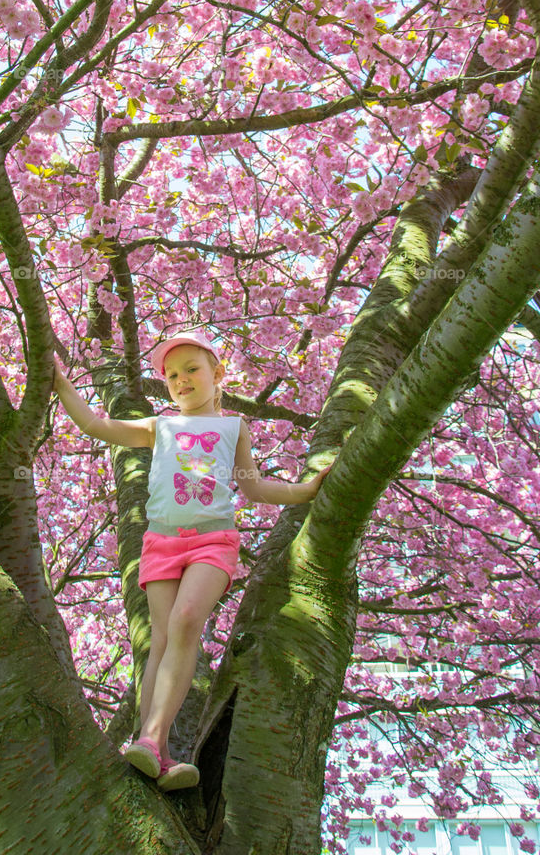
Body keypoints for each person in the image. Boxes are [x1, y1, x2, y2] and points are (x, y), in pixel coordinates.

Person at [52, 328, 332, 791]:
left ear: (218, 374)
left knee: (185, 621)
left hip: (212, 542)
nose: (180, 380)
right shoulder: (159, 427)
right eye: (171, 375)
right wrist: (60, 384)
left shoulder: (232, 427)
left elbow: (254, 487)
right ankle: (155, 756)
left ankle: (151, 738)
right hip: (160, 542)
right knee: (158, 642)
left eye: (191, 370)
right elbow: (97, 426)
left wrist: (307, 490)